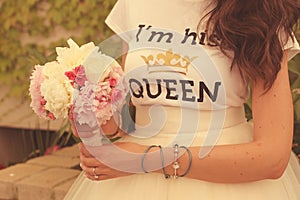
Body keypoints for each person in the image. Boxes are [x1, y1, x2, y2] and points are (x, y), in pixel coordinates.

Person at [64, 0, 300, 199]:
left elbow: (272, 157)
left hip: (225, 176)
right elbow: (131, 111)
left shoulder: (260, 11)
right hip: (133, 180)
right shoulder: (135, 4)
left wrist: (148, 159)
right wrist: (96, 117)